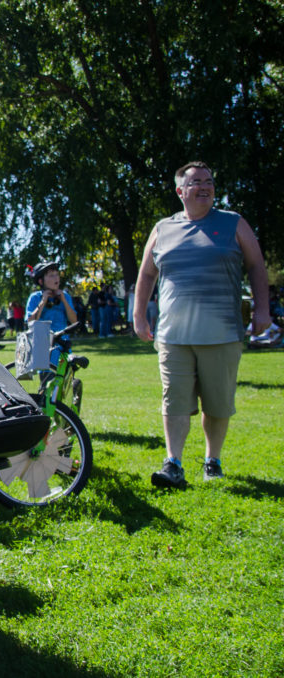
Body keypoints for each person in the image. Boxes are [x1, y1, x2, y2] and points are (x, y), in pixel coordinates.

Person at [133, 161, 270, 487]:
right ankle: (174, 463)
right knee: (174, 400)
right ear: (181, 191)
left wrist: (263, 310)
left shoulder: (233, 223)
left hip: (222, 333)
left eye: (209, 181)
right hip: (173, 335)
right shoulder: (163, 229)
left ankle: (212, 460)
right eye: (196, 182)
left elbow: (257, 266)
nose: (205, 186)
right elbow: (146, 274)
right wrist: (139, 315)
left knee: (218, 402)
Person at [25, 261, 78, 365]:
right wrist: (43, 301)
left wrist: (63, 300)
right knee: (47, 379)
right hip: (44, 346)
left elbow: (74, 321)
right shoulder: (35, 298)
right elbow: (30, 322)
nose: (56, 278)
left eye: (57, 275)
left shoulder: (65, 296)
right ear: (41, 281)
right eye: (51, 276)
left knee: (66, 379)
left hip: (63, 345)